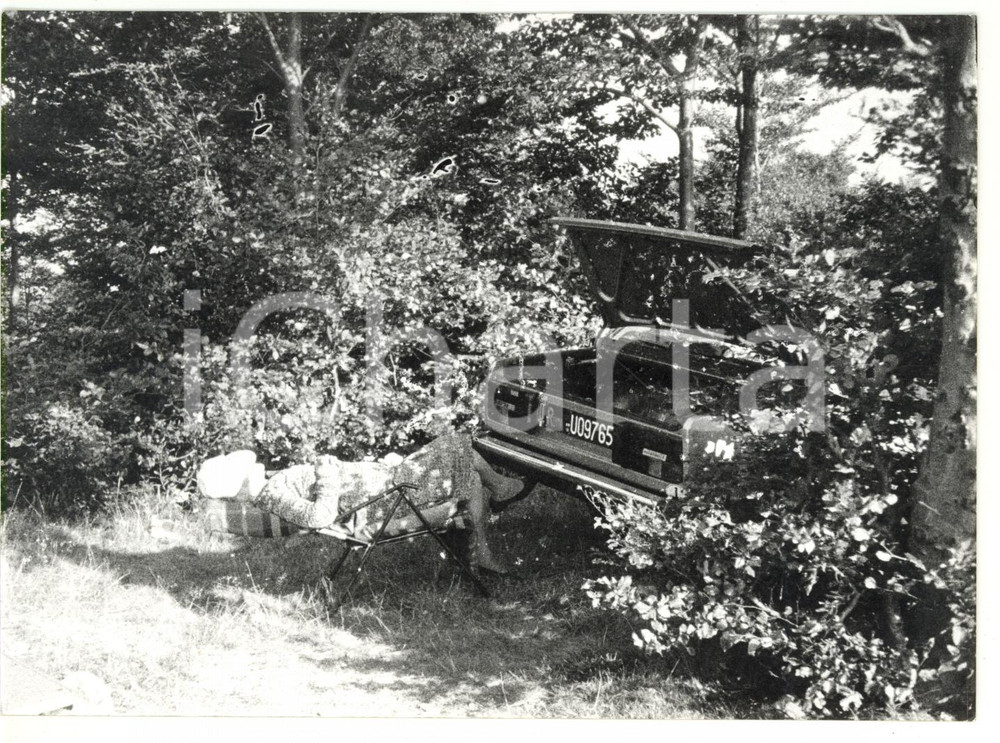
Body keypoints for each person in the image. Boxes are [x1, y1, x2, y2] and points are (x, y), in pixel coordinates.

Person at [197, 433, 522, 575]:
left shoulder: (270, 484)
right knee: (460, 449)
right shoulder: (271, 496)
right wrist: (326, 474)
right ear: (241, 483)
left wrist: (329, 469)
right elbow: (318, 516)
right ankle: (499, 499)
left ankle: (485, 542)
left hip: (385, 481)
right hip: (390, 498)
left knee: (462, 457)